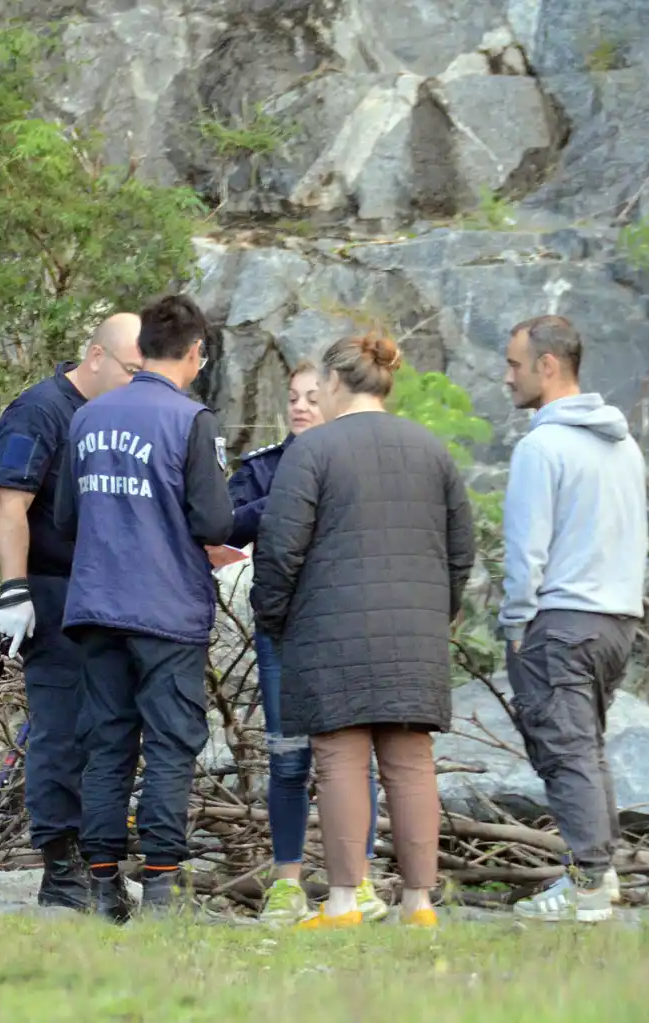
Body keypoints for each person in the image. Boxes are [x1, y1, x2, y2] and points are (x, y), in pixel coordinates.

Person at [252, 332, 474, 930]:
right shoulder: (433, 450)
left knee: (340, 758)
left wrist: (274, 616)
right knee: (410, 762)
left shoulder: (314, 450)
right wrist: (440, 614)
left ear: (336, 383)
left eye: (319, 385)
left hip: (329, 632)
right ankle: (420, 904)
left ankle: (346, 901)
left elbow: (279, 548)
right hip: (418, 636)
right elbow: (461, 551)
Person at [53, 293, 234, 921]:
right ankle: (161, 888)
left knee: (106, 746)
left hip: (98, 606)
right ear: (194, 354)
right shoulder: (191, 420)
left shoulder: (87, 418)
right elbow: (214, 519)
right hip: (166, 612)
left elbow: (66, 518)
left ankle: (103, 888)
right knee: (169, 745)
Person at [0, 312, 144, 911]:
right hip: (51, 592)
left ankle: (98, 862)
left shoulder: (113, 417)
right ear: (96, 356)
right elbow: (10, 503)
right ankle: (61, 867)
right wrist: (14, 589)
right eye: (132, 369)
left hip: (102, 594)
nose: (137, 382)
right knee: (59, 730)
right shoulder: (42, 411)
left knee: (102, 732)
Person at [498, 315, 646, 923]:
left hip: (560, 622)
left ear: (548, 365)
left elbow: (525, 550)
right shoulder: (624, 443)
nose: (507, 377)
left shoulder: (542, 445)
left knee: (566, 753)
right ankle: (600, 876)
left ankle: (586, 887)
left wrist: (514, 625)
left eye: (514, 364)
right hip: (617, 621)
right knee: (588, 750)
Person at [227, 363, 387, 925]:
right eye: (292, 397)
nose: (299, 406)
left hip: (346, 628)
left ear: (336, 399)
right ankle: (287, 883)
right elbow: (224, 524)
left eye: (311, 397)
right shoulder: (265, 467)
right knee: (287, 758)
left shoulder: (360, 461)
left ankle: (359, 881)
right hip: (281, 632)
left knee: (351, 760)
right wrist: (287, 499)